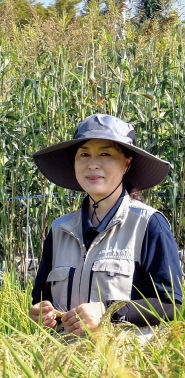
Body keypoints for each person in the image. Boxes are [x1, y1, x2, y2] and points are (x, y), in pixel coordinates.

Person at [30, 114, 182, 337]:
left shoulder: (149, 224)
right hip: (63, 363)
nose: (93, 164)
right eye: (84, 154)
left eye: (105, 154)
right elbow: (42, 297)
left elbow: (170, 304)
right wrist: (41, 312)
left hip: (126, 364)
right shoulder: (59, 229)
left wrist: (107, 311)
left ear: (126, 163)